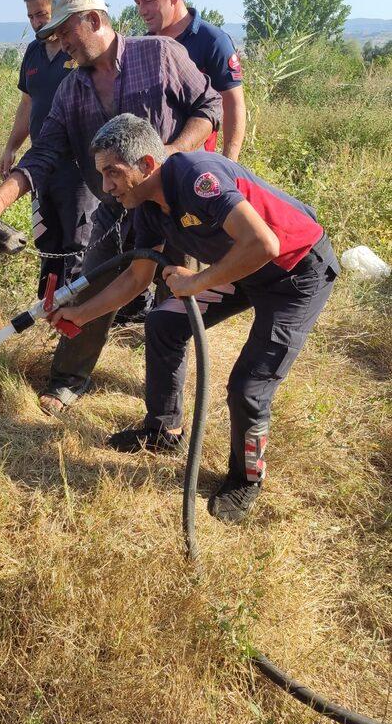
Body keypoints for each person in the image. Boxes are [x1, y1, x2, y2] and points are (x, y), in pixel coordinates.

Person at [47, 114, 339, 522]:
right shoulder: (147, 207)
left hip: (295, 273)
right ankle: (163, 430)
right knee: (163, 323)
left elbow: (263, 243)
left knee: (248, 388)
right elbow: (136, 278)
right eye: (101, 175)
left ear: (147, 165)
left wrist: (198, 280)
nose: (106, 187)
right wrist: (78, 314)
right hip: (242, 268)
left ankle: (245, 479)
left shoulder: (196, 176)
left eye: (112, 173)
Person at [0, 0, 222, 415]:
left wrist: (171, 153)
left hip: (176, 204)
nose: (60, 42)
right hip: (114, 209)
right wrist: (1, 197)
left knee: (174, 305)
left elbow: (209, 105)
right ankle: (69, 380)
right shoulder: (71, 89)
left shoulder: (161, 54)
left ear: (93, 20)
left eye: (64, 31)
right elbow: (45, 152)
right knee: (90, 285)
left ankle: (165, 413)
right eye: (52, 34)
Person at [0, 0, 97, 296]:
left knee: (79, 242)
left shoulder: (81, 53)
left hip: (80, 169)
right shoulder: (33, 53)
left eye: (41, 14)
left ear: (57, 10)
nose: (37, 22)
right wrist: (11, 147)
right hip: (41, 167)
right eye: (31, 16)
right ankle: (48, 308)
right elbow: (28, 104)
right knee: (47, 240)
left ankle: (79, 313)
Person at [132, 0, 245, 161]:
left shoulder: (212, 41)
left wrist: (229, 165)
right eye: (138, 3)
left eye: (149, 0)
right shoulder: (143, 46)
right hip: (151, 168)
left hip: (196, 165)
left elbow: (233, 104)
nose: (142, 11)